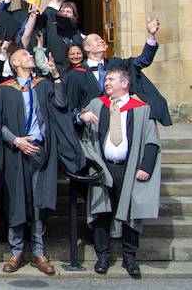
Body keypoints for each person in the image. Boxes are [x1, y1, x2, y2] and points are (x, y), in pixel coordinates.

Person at [77, 68, 162, 276]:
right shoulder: (97, 105)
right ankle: (103, 256)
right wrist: (81, 115)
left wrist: (146, 167)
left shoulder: (142, 109)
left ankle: (130, 257)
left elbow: (152, 141)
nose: (106, 82)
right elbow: (78, 126)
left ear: (125, 83)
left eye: (111, 79)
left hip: (130, 167)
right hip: (103, 166)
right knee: (101, 212)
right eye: (106, 79)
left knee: (131, 213)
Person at [0, 51, 67, 274]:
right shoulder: (4, 89)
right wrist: (16, 140)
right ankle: (16, 252)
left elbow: (62, 105)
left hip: (41, 152)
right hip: (15, 152)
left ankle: (39, 252)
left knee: (39, 202)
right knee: (16, 201)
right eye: (25, 55)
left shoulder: (43, 84)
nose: (30, 56)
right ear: (15, 62)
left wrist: (56, 76)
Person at [65, 17, 170, 126]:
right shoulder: (75, 74)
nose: (101, 40)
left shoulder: (118, 64)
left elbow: (143, 61)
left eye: (101, 39)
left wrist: (151, 35)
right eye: (96, 39)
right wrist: (81, 116)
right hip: (90, 129)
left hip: (118, 123)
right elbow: (71, 108)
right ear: (87, 48)